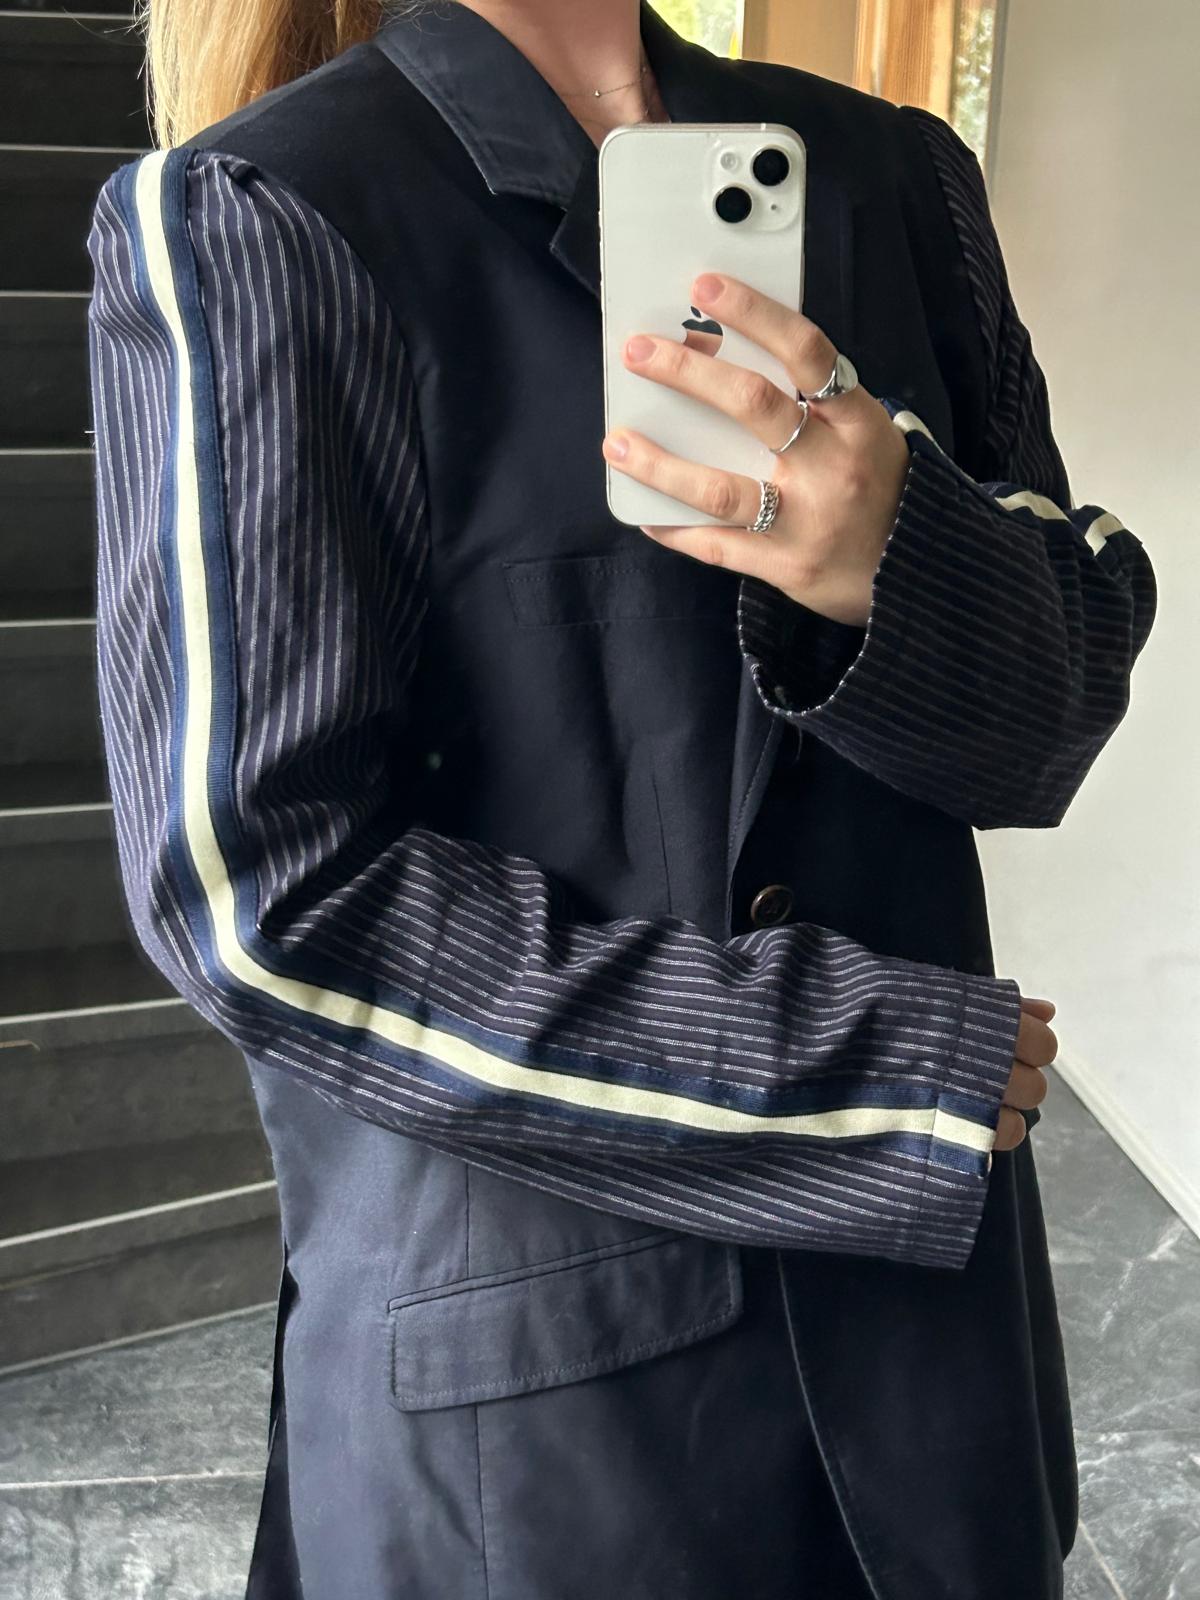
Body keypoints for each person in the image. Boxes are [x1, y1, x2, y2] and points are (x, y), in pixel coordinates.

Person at [84, 1, 1157, 1596]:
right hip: (536, 1454)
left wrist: (892, 563)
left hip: (937, 1402)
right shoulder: (263, 215)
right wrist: (852, 1076)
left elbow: (1055, 717)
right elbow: (260, 901)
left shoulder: (895, 181)